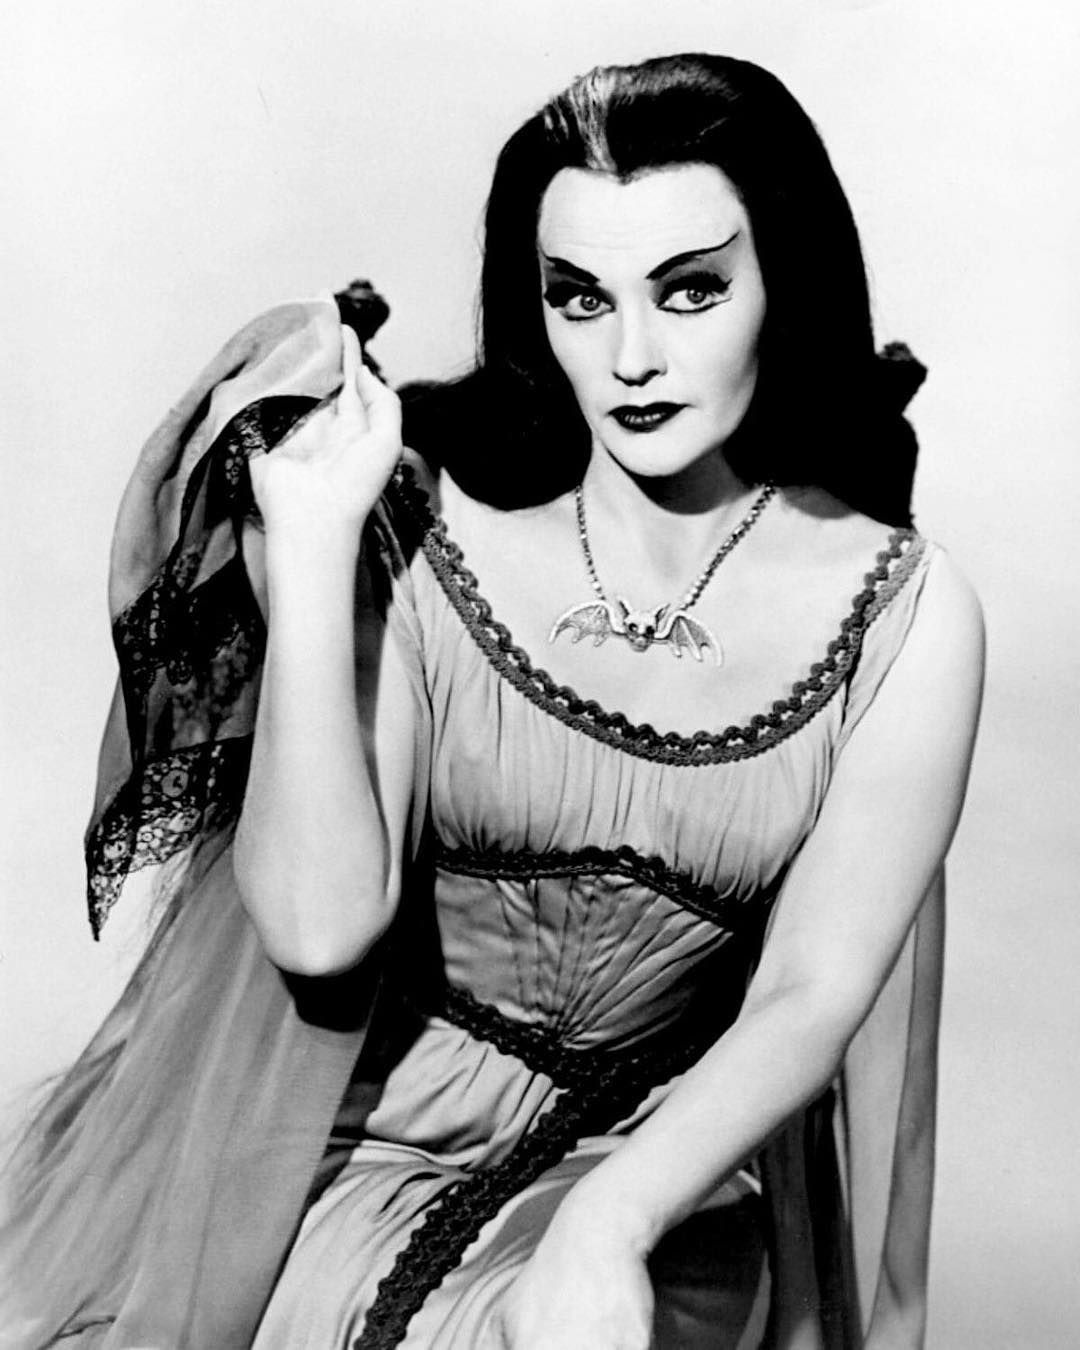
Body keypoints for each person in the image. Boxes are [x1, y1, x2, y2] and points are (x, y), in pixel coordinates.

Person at [0, 52, 983, 1349]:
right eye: (580, 298)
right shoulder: (427, 535)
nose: (632, 358)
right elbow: (316, 931)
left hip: (647, 1164)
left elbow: (813, 986)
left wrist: (606, 1225)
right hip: (338, 1143)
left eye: (691, 290)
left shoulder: (904, 609)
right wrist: (313, 551)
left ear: (780, 284)